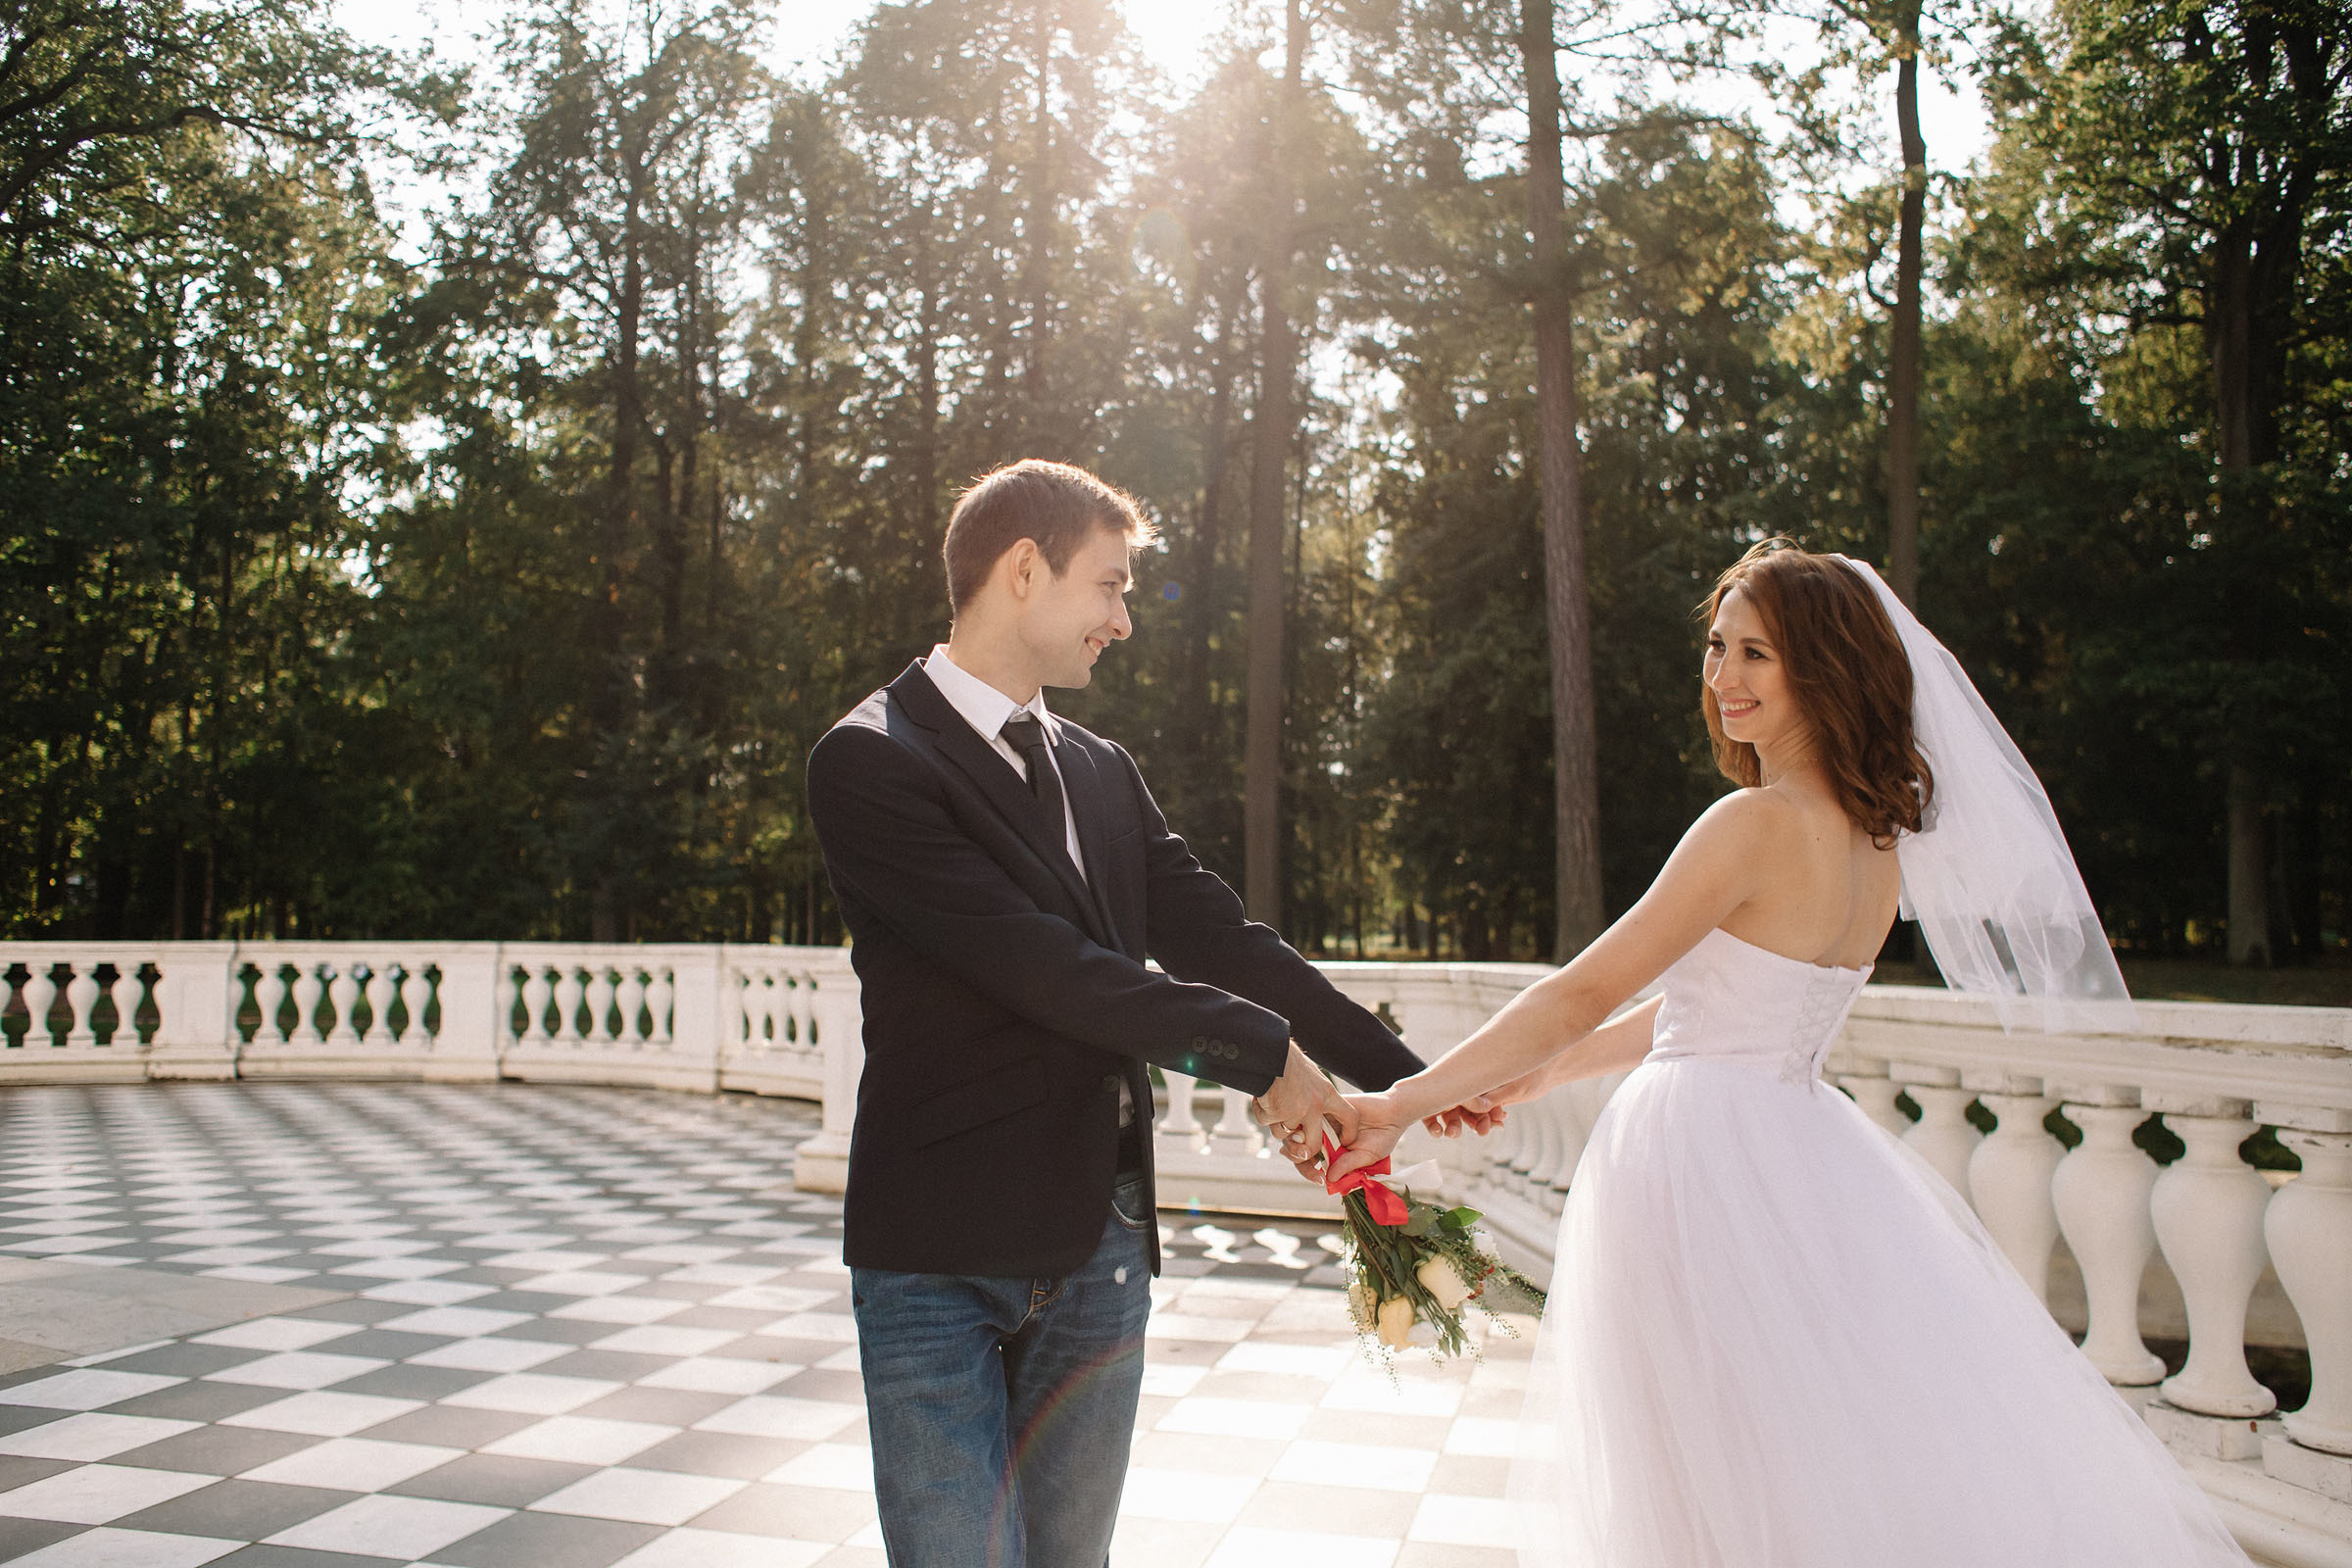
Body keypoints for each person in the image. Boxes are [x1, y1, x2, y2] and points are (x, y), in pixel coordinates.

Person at [1321, 540, 2251, 1567]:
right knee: (1791, 1446)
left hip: (1695, 1164)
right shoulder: (1875, 844)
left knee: (1694, 1451)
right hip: (1799, 1147)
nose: (1723, 678)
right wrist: (1540, 1076)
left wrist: (1402, 1100)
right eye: (1718, 648)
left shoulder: (1753, 825)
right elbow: (1719, 1004)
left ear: (1827, 668)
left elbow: (1586, 988)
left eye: (1757, 654)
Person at [805, 458, 1448, 1567]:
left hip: (1098, 1244)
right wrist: (1262, 1057)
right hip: (938, 1254)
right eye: (1108, 586)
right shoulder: (868, 760)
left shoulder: (1102, 770)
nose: (1125, 619)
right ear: (1022, 570)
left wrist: (1411, 1073)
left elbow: (1224, 939)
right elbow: (1047, 969)